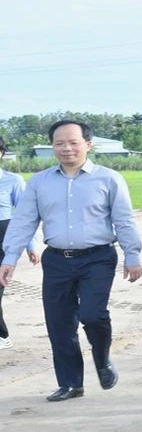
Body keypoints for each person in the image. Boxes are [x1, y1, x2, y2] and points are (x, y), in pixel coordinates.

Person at [0, 120, 142, 402]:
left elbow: (124, 220)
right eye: (59, 143)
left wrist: (133, 254)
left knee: (93, 315)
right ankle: (70, 383)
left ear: (87, 145)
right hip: (57, 260)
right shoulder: (40, 181)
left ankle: (102, 359)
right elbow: (24, 221)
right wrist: (10, 257)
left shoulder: (109, 178)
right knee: (59, 323)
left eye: (73, 142)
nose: (66, 148)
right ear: (52, 147)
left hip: (98, 258)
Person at [0, 137, 41, 350]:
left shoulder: (12, 180)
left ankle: (1, 335)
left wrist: (31, 244)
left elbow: (26, 214)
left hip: (2, 236)